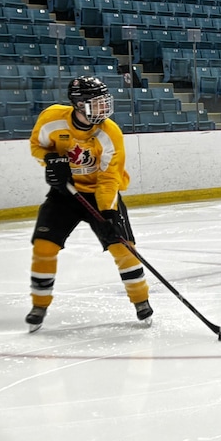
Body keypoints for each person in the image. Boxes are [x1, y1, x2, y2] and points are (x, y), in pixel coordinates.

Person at [25, 76, 151, 331]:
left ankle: (141, 301)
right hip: (65, 194)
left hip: (99, 194)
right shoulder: (52, 119)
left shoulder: (110, 132)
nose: (103, 109)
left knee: (123, 249)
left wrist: (108, 213)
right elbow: (36, 146)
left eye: (105, 102)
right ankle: (39, 305)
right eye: (96, 103)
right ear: (78, 104)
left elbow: (109, 178)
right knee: (44, 247)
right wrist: (51, 160)